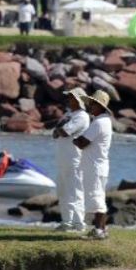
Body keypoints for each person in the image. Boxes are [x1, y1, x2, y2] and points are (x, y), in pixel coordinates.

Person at [73, 90, 114, 240]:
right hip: (98, 165)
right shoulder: (104, 121)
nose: (90, 106)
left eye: (93, 103)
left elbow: (83, 143)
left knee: (97, 200)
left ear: (100, 106)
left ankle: (99, 231)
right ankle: (102, 229)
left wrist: (74, 138)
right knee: (98, 197)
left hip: (95, 166)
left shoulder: (98, 123)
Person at [52, 87, 91, 233]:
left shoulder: (82, 116)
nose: (68, 99)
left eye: (71, 97)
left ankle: (79, 223)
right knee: (63, 191)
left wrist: (59, 130)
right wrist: (59, 130)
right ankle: (67, 222)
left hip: (75, 159)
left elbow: (63, 131)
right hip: (63, 159)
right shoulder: (69, 114)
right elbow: (55, 133)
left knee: (75, 191)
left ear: (78, 100)